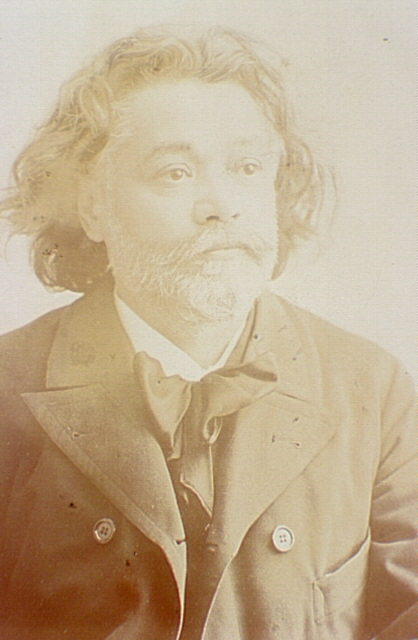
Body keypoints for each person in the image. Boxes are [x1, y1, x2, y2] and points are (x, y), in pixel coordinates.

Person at [0, 24, 415, 640]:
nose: (222, 203)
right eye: (174, 173)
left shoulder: (373, 390)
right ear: (92, 206)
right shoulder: (7, 388)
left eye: (247, 167)